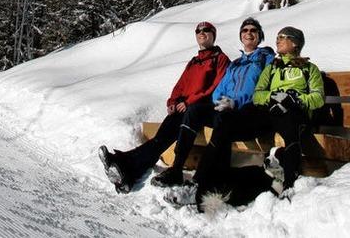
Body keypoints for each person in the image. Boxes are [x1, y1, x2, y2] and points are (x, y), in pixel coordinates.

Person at [191, 26, 324, 210]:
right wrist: (271, 97)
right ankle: (202, 182)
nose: (277, 40)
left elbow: (318, 98)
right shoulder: (272, 68)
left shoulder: (310, 69)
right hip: (268, 111)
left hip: (292, 111)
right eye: (277, 36)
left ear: (295, 43)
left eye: (283, 37)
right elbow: (258, 93)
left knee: (291, 127)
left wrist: (294, 98)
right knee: (226, 123)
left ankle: (289, 184)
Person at [98, 21, 230, 193]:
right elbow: (180, 85)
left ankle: (122, 164)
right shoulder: (194, 61)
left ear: (214, 35)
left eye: (207, 30)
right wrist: (173, 102)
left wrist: (189, 102)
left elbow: (215, 88)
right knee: (159, 141)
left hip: (198, 111)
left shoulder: (220, 59)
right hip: (182, 109)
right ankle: (127, 174)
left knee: (161, 140)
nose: (202, 32)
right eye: (198, 30)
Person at [149, 17, 275, 188]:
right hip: (224, 107)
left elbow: (262, 88)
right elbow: (220, 88)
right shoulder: (236, 63)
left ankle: (206, 180)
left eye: (253, 30)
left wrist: (235, 103)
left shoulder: (266, 59)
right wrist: (219, 101)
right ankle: (176, 168)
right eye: (245, 30)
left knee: (223, 122)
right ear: (240, 36)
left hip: (245, 111)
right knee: (193, 111)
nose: (249, 33)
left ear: (260, 35)